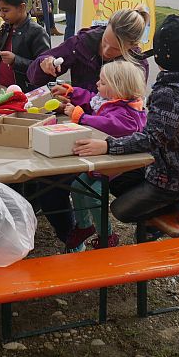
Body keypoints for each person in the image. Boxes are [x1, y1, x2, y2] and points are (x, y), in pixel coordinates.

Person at [73, 14, 179, 227]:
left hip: (167, 176)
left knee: (120, 210)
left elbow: (150, 139)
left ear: (160, 55)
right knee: (114, 180)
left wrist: (107, 146)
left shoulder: (167, 93)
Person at [61, 61, 148, 250]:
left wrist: (81, 117)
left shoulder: (130, 112)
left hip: (120, 167)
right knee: (77, 185)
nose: (97, 84)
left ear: (117, 87)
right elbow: (92, 97)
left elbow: (110, 124)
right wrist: (73, 92)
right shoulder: (112, 101)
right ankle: (84, 226)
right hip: (104, 162)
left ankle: (106, 236)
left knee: (93, 194)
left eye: (103, 82)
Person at [27, 8, 150, 93]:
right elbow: (33, 76)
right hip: (78, 119)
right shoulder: (81, 44)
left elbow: (129, 108)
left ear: (132, 46)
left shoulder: (137, 66)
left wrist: (73, 95)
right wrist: (43, 65)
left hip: (111, 127)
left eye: (115, 49)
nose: (106, 51)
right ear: (106, 26)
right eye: (105, 41)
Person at [0, 0, 50, 91]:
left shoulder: (37, 32)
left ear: (21, 8)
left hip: (25, 94)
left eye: (5, 10)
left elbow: (44, 68)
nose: (1, 14)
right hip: (2, 90)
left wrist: (15, 60)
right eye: (0, 10)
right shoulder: (5, 29)